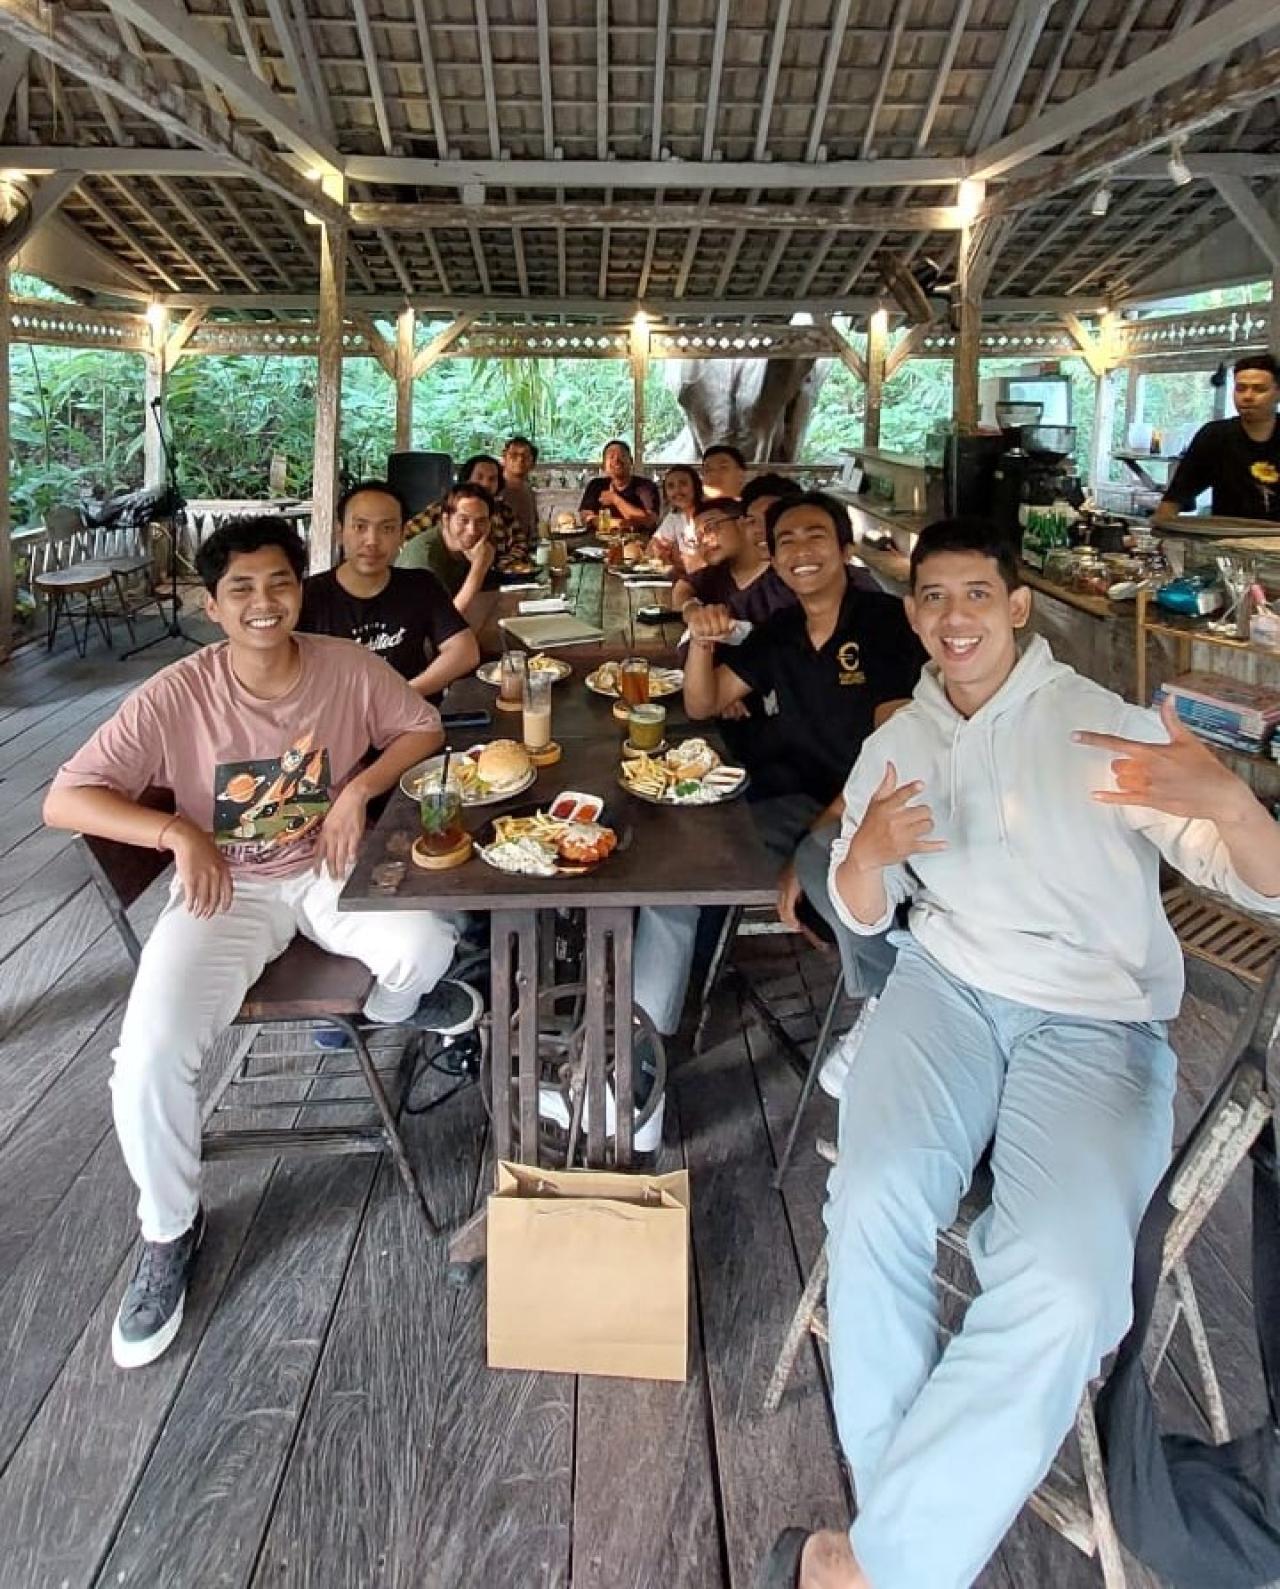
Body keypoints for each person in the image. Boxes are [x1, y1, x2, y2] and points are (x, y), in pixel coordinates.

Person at [760, 517, 1280, 1589]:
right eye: (931, 596)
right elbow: (862, 913)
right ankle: (900, 1550)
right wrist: (864, 857)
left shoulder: (1101, 726)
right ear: (913, 616)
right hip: (944, 991)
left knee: (1068, 1279)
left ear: (1016, 606)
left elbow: (1256, 882)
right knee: (874, 1200)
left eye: (974, 594)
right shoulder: (899, 743)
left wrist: (1233, 802)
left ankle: (871, 1559)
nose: (953, 617)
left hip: (1093, 1016)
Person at [43, 516, 483, 1370]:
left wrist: (357, 789)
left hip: (327, 869)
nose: (263, 601)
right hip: (227, 890)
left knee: (429, 943)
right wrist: (176, 831)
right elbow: (65, 798)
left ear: (300, 589)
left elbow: (423, 728)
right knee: (147, 1058)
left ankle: (396, 1009)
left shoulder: (344, 666)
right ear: (211, 606)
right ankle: (169, 1230)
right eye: (240, 588)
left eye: (279, 581)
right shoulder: (177, 691)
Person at [633, 491, 923, 1058]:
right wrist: (702, 640)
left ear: (845, 550)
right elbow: (703, 702)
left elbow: (890, 758)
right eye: (786, 541)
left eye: (816, 537)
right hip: (784, 799)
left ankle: (891, 1015)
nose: (800, 551)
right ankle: (652, 1039)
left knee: (693, 868)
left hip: (861, 814)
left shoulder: (885, 624)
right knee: (672, 865)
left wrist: (812, 845)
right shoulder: (782, 628)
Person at [299, 478, 479, 700]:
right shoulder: (308, 596)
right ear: (340, 532)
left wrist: (402, 695)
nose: (372, 541)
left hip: (410, 713)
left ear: (402, 534)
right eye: (360, 527)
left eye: (387, 528)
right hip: (337, 715)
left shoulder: (421, 585)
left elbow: (465, 651)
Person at [1155, 353, 1280, 524]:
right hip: (1226, 536)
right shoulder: (1215, 436)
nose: (1248, 396)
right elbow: (1172, 501)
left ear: (1277, 393)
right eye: (1240, 388)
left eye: (1259, 389)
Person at [672, 499, 795, 629]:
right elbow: (683, 587)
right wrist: (691, 608)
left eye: (710, 528)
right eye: (697, 537)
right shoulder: (717, 573)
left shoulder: (783, 576)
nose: (704, 541)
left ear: (742, 522)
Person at [404, 454, 528, 567]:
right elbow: (408, 533)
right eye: (479, 477)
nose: (485, 484)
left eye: (492, 479)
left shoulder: (504, 510)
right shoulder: (444, 508)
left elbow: (520, 543)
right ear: (467, 479)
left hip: (498, 574)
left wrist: (501, 563)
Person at [397, 481, 496, 620]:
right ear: (446, 519)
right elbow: (439, 624)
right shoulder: (424, 557)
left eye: (481, 521)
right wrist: (479, 568)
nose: (472, 530)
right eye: (463, 520)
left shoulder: (476, 547)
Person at [579, 439, 659, 532]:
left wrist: (615, 499)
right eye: (611, 457)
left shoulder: (646, 486)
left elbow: (649, 521)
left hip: (639, 539)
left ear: (631, 461)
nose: (616, 460)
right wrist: (618, 523)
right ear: (603, 465)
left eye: (622, 456)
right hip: (598, 539)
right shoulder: (595, 485)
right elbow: (585, 517)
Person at [649, 463, 705, 571]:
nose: (677, 491)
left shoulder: (709, 516)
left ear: (696, 486)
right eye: (671, 486)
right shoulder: (675, 516)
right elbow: (652, 548)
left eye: (683, 484)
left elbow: (705, 564)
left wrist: (676, 559)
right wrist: (660, 551)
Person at [500, 435, 540, 550]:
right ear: (504, 459)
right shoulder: (496, 489)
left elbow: (534, 527)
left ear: (533, 464)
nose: (520, 460)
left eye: (525, 456)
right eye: (514, 455)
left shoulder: (529, 490)